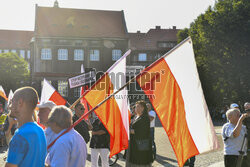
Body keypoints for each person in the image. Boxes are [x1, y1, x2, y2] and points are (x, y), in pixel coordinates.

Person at [5, 87, 47, 167]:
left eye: (12, 101)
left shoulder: (20, 135)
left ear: (20, 103)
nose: (9, 106)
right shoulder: (40, 130)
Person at [127, 100, 153, 167]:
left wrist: (129, 131)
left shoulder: (145, 118)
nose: (135, 108)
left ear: (142, 108)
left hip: (141, 143)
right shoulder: (135, 117)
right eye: (135, 107)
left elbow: (142, 131)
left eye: (138, 107)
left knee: (140, 162)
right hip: (134, 143)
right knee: (134, 161)